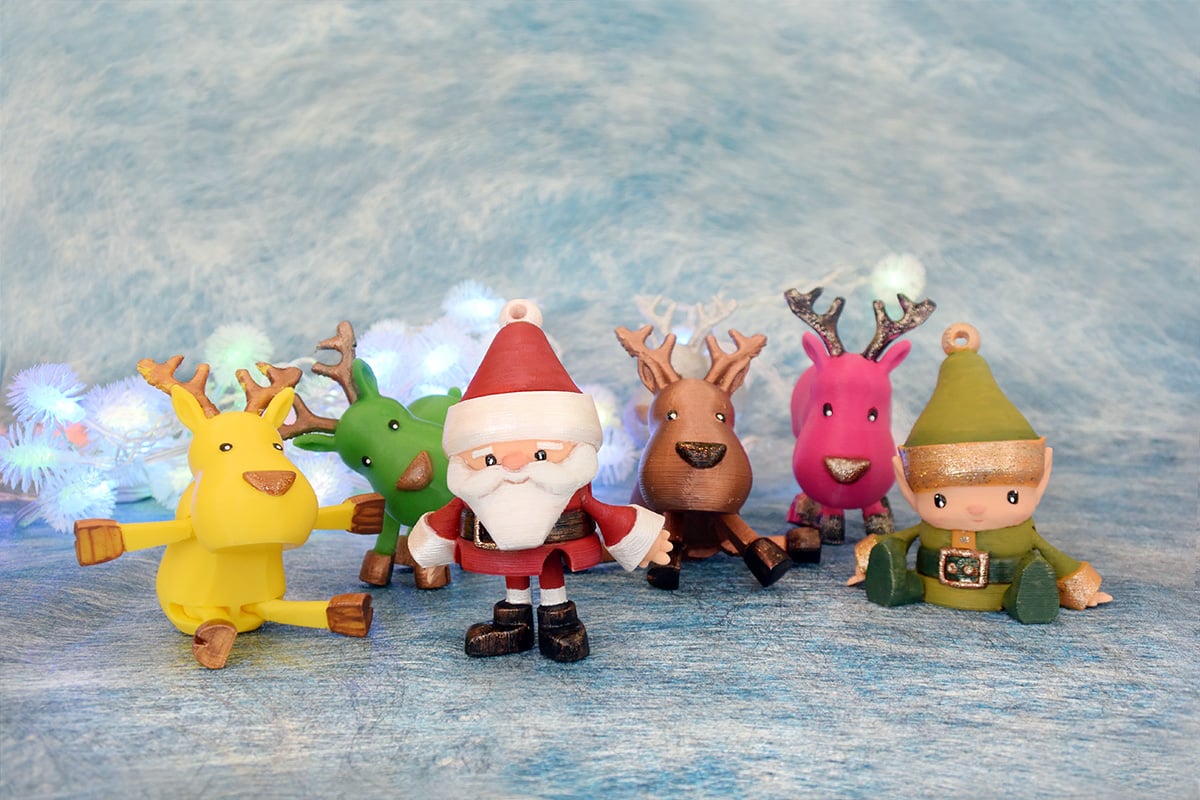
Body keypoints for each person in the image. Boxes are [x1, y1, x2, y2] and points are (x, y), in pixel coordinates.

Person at [409, 299, 672, 661]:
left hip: (555, 545)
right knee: (515, 573)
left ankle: (557, 622)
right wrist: (430, 545)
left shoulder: (571, 483)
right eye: (490, 457)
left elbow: (604, 512)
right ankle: (512, 623)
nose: (514, 463)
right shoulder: (475, 489)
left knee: (548, 570)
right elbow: (448, 516)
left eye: (541, 453)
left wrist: (641, 539)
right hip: (498, 543)